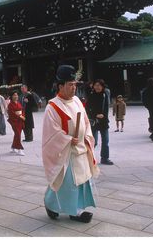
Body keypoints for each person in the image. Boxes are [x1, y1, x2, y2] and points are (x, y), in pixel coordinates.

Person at [42, 65, 99, 223]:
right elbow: (50, 133)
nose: (74, 88)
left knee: (81, 180)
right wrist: (67, 139)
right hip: (66, 151)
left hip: (80, 147)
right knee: (68, 182)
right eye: (70, 85)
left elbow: (86, 122)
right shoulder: (52, 107)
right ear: (60, 86)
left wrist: (86, 136)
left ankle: (74, 209)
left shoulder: (77, 102)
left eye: (75, 84)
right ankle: (60, 207)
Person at [87, 79, 113, 165]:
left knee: (105, 140)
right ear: (93, 86)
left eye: (99, 85)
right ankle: (89, 158)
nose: (97, 87)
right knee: (94, 141)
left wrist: (103, 115)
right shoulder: (91, 95)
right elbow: (87, 109)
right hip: (94, 121)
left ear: (102, 86)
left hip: (103, 121)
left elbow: (106, 107)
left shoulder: (105, 95)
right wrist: (95, 115)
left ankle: (104, 158)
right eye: (96, 85)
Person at [7, 91, 25, 155]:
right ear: (11, 96)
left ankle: (13, 147)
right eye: (14, 95)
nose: (16, 96)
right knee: (18, 134)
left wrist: (22, 116)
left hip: (20, 121)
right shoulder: (10, 105)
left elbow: (22, 110)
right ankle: (19, 149)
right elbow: (11, 114)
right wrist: (20, 116)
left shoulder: (18, 103)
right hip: (14, 121)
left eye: (17, 95)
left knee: (17, 134)